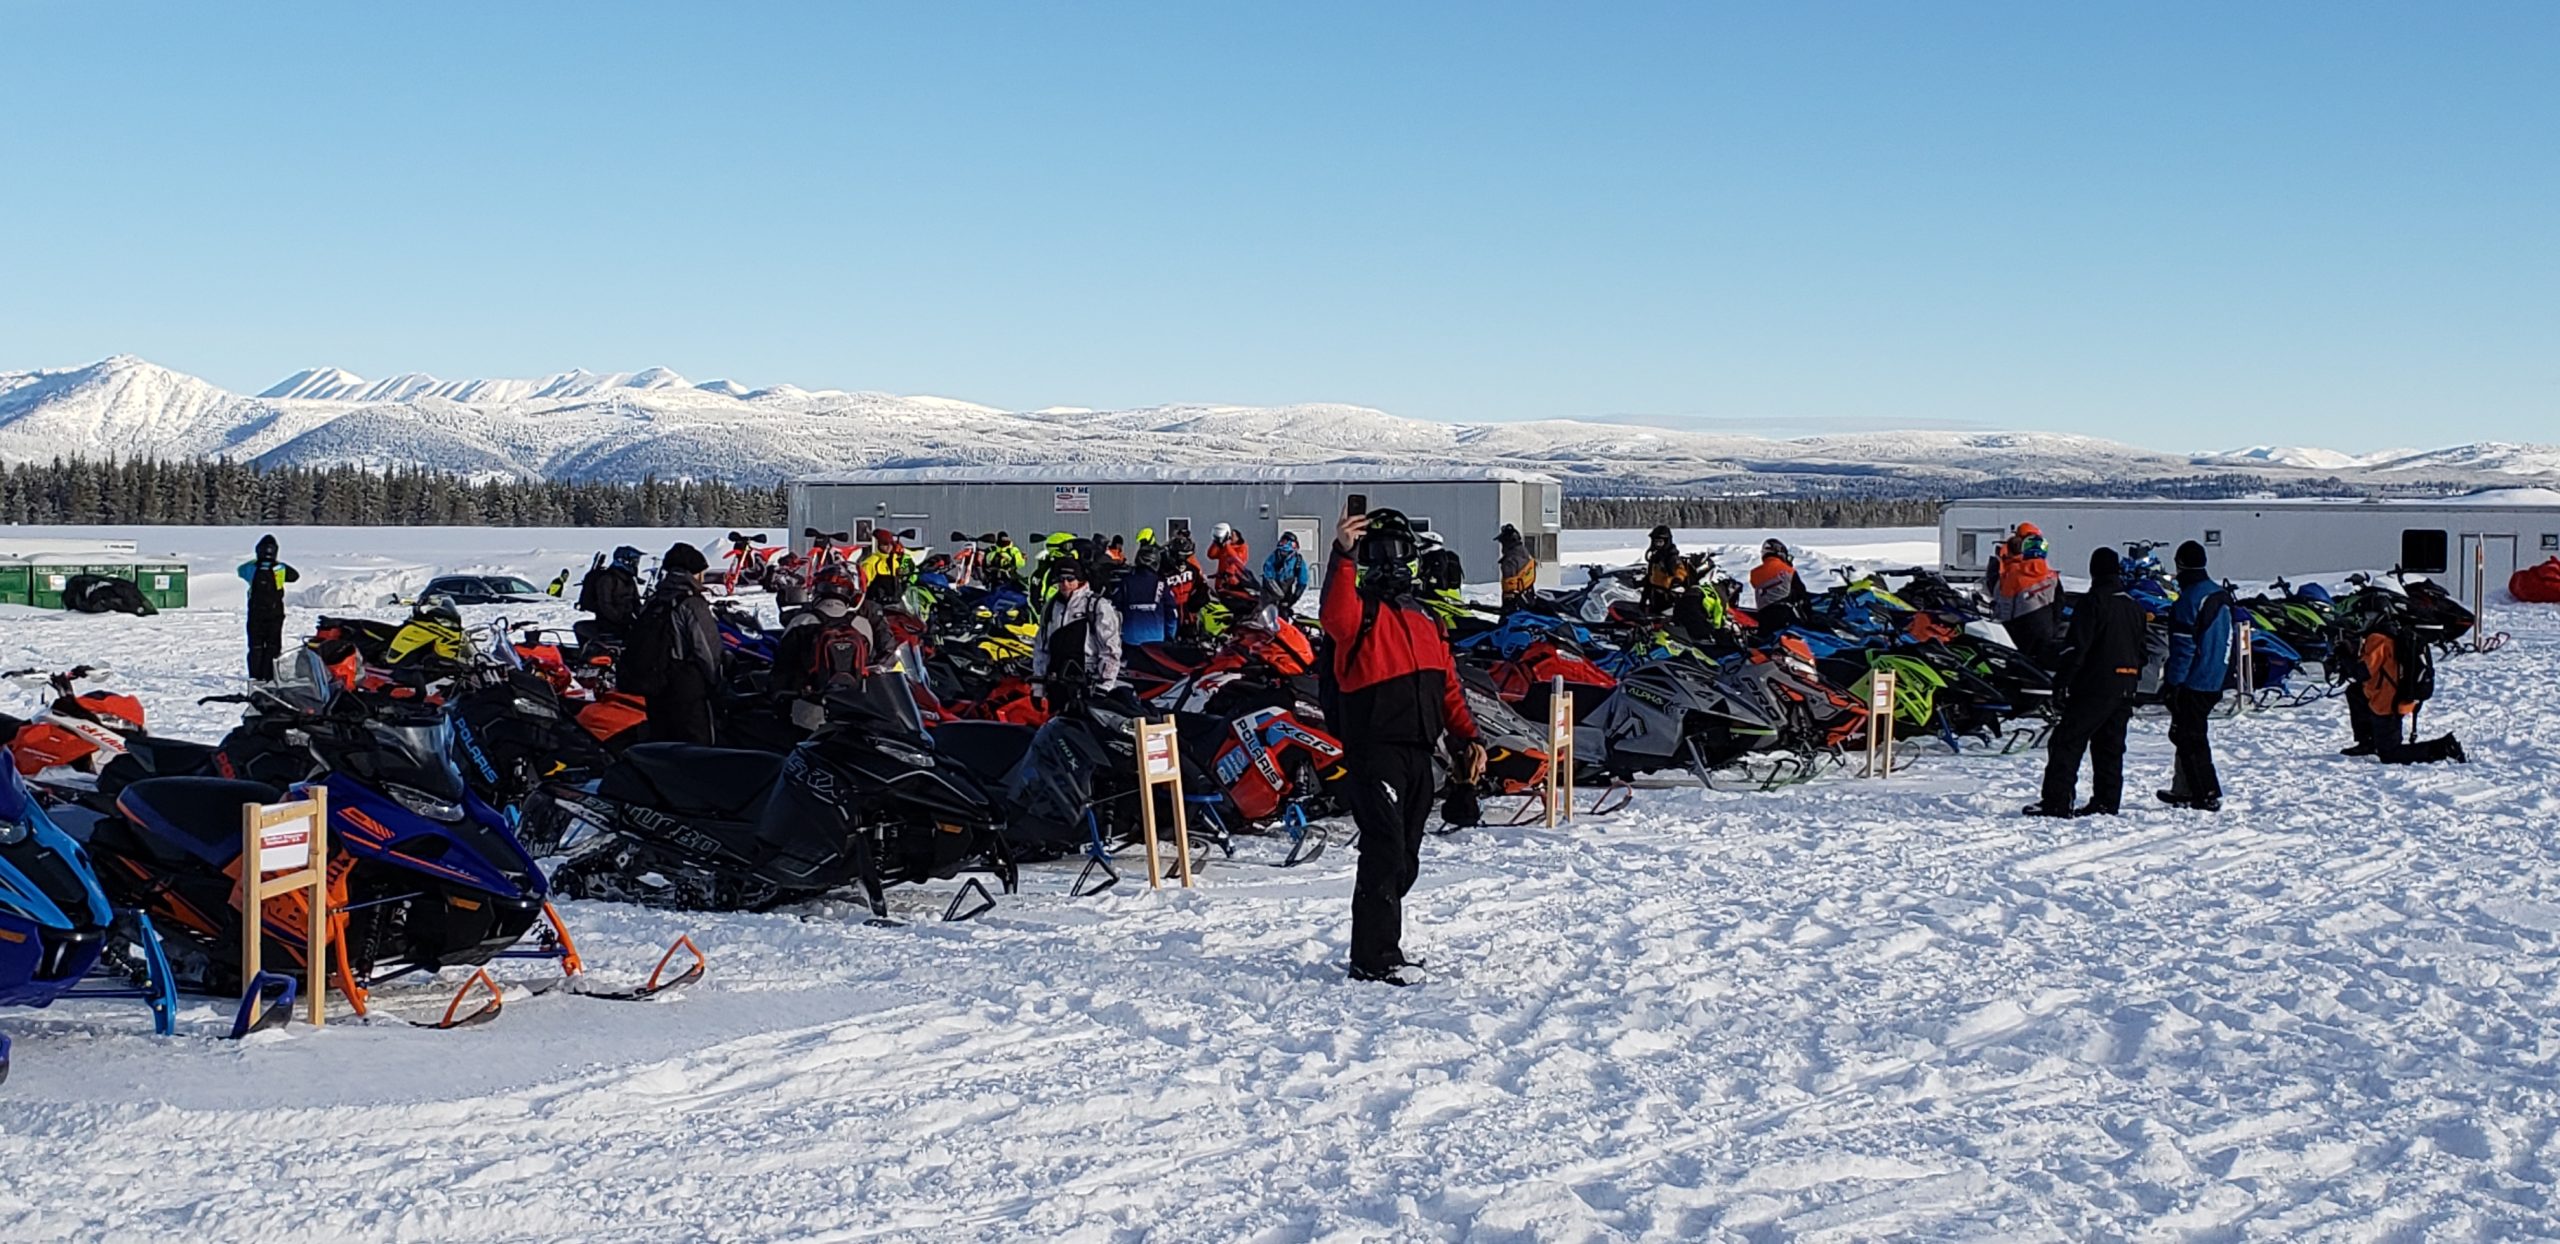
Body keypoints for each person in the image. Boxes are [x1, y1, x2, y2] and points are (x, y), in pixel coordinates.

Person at [1321, 508, 1483, 987]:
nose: (1389, 562)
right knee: (1384, 849)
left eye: (1396, 551)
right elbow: (1334, 612)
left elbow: (1447, 686)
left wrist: (1466, 737)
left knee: (1406, 855)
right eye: (1379, 552)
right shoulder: (1357, 615)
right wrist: (1343, 553)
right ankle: (1372, 956)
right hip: (1375, 749)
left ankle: (1383, 944)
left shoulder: (1427, 619)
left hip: (1419, 750)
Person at [2028, 547, 2147, 817]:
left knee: (2066, 741)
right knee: (2110, 746)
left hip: (2096, 684)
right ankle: (2107, 800)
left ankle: (2057, 801)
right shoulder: (2133, 605)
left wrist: (2062, 681)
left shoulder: (2093, 602)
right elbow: (2142, 651)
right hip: (2126, 684)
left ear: (2094, 571)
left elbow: (2077, 647)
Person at [2157, 541, 2233, 811]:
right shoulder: (2219, 594)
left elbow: (2183, 648)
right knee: (2188, 734)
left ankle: (2205, 792)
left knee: (2190, 737)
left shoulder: (2188, 600)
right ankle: (2185, 788)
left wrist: (2172, 684)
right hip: (2216, 675)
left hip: (2194, 680)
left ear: (2179, 565)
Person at [625, 542, 723, 745]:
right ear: (694, 572)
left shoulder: (655, 599)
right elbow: (706, 648)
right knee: (695, 745)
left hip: (654, 684)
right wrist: (717, 683)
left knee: (662, 742)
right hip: (686, 685)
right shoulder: (691, 603)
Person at [2348, 622, 2466, 764]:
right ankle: (2368, 742)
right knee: (2355, 692)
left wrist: (2345, 654)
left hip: (2387, 704)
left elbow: (2362, 672)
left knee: (2389, 754)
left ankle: (2443, 748)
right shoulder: (2396, 633)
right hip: (2401, 697)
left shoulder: (2378, 639)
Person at [1031, 557, 1123, 716]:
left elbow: (1110, 648)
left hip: (1087, 684)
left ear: (1080, 579)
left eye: (1070, 579)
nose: (1065, 584)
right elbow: (1041, 649)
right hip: (1057, 684)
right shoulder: (1051, 606)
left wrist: (1105, 685)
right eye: (1060, 579)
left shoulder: (1096, 605)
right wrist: (1038, 687)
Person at [1991, 523, 2062, 662]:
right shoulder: (2052, 576)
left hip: (2020, 634)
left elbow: (2005, 607)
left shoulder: (2012, 573)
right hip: (2045, 632)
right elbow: (2059, 606)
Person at [237, 534, 299, 680]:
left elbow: (240, 570)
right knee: (273, 645)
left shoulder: (251, 568)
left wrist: (258, 561)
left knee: (255, 646)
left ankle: (255, 675)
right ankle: (270, 674)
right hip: (275, 613)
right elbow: (295, 576)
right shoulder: (280, 569)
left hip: (255, 613)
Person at [575, 545, 644, 649]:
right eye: (634, 561)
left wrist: (642, 619)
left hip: (625, 623)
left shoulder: (629, 580)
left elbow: (636, 602)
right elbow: (605, 605)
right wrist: (622, 621)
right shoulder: (607, 579)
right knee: (581, 628)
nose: (636, 565)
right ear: (623, 561)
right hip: (609, 624)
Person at [1111, 547, 1178, 647]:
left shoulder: (1125, 582)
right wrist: (1170, 636)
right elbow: (1172, 613)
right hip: (1156, 643)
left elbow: (1114, 610)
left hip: (1130, 641)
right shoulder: (1161, 584)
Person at [1749, 539, 1808, 632]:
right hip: (1785, 616)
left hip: (1763, 616)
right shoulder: (1788, 571)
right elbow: (1801, 593)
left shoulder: (1754, 573)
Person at [857, 528, 915, 597]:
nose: (889, 547)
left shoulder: (894, 561)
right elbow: (863, 587)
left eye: (891, 544)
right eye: (885, 544)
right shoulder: (871, 563)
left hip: (894, 602)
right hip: (876, 603)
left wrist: (902, 576)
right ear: (877, 544)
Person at [1262, 531, 1310, 609]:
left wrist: (1294, 597)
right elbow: (1268, 575)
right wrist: (1277, 593)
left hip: (1286, 593)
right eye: (1283, 541)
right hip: (1270, 594)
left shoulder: (1298, 560)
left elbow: (1303, 580)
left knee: (1283, 614)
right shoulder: (1274, 557)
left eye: (1285, 542)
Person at [1497, 524, 1536, 609]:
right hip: (1529, 598)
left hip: (1514, 603)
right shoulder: (1525, 553)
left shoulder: (1510, 560)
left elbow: (1509, 585)